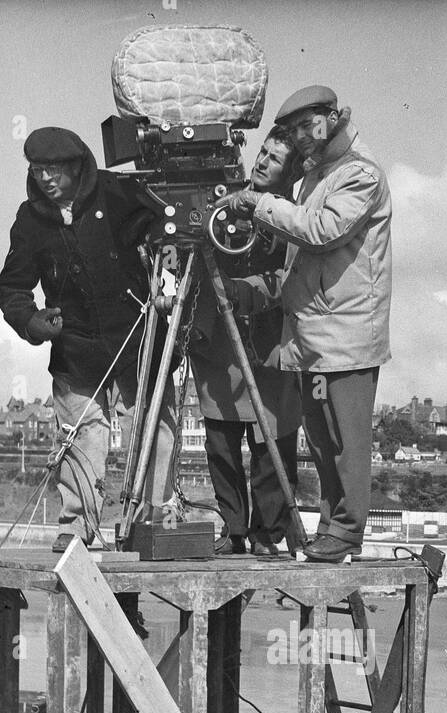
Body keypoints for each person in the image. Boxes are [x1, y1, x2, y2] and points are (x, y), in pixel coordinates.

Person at [223, 86, 391, 563]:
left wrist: (258, 204)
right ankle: (333, 530)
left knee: (345, 440)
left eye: (306, 125)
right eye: (292, 129)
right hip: (317, 335)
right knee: (321, 439)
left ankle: (347, 531)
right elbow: (298, 260)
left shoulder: (359, 174)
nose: (300, 136)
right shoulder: (319, 176)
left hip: (349, 335)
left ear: (332, 117)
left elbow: (321, 232)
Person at [0, 127, 177, 550]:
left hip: (138, 340)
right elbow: (12, 287)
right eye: (38, 169)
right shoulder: (29, 219)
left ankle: (154, 520)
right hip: (75, 350)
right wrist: (30, 321)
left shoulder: (118, 193)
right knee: (80, 432)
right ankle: (78, 526)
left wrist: (166, 281)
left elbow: (168, 234)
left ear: (77, 167)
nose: (45, 178)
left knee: (151, 427)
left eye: (54, 169)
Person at [189, 127, 302, 558]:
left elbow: (288, 279)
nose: (262, 161)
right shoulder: (227, 200)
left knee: (272, 444)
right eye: (262, 152)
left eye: (274, 159)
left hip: (270, 343)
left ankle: (266, 534)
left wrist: (244, 290)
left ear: (289, 171)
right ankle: (233, 529)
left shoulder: (292, 215)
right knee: (221, 441)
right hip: (219, 342)